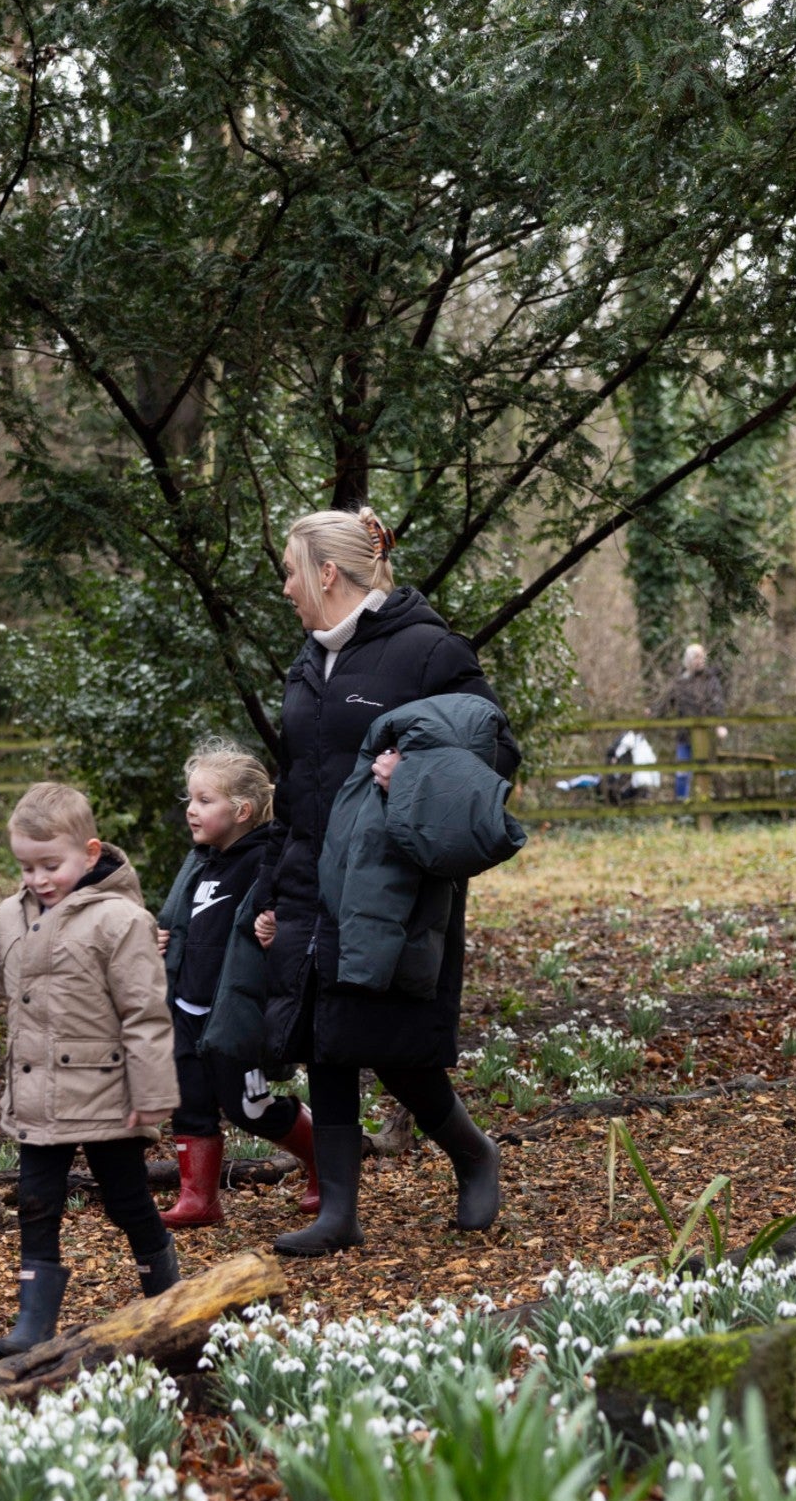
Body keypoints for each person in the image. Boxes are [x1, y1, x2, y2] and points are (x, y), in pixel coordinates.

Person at [249, 509, 521, 1259]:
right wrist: (274, 883)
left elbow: (495, 748)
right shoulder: (308, 662)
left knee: (396, 1041)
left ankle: (472, 1152)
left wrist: (416, 775)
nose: (285, 588)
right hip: (310, 872)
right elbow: (296, 779)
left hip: (391, 879)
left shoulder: (427, 650)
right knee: (323, 1037)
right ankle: (339, 1212)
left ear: (327, 574)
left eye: (290, 571)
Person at [0, 784, 180, 1357]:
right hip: (37, 1096)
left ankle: (168, 1300)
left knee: (127, 1201)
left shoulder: (120, 920)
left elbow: (145, 1013)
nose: (38, 879)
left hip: (106, 1096)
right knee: (35, 1202)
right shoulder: (12, 914)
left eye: (51, 865)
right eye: (26, 867)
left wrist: (153, 1095)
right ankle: (33, 1324)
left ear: (90, 852)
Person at [153, 742, 318, 1228]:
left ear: (242, 810)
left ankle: (327, 1162)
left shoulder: (266, 861)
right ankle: (199, 1198)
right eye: (190, 798)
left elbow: (291, 916)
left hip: (235, 1011)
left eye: (204, 800)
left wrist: (276, 931)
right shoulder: (201, 860)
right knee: (189, 1100)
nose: (191, 809)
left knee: (249, 1106)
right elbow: (184, 921)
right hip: (188, 1006)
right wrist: (164, 935)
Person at [654, 642, 730, 802]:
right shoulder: (680, 682)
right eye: (696, 657)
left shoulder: (710, 680)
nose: (700, 660)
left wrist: (720, 724)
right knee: (682, 772)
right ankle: (682, 805)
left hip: (706, 734)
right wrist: (653, 715)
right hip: (684, 735)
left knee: (706, 771)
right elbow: (665, 703)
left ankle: (710, 804)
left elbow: (717, 703)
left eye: (702, 657)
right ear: (688, 661)